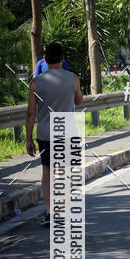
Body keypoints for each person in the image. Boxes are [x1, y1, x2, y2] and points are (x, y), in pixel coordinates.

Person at [25, 42, 83, 227]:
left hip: (45, 134)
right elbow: (79, 101)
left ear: (45, 60)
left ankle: (50, 212)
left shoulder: (35, 82)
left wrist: (28, 138)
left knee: (48, 173)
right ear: (62, 58)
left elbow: (30, 113)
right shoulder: (73, 78)